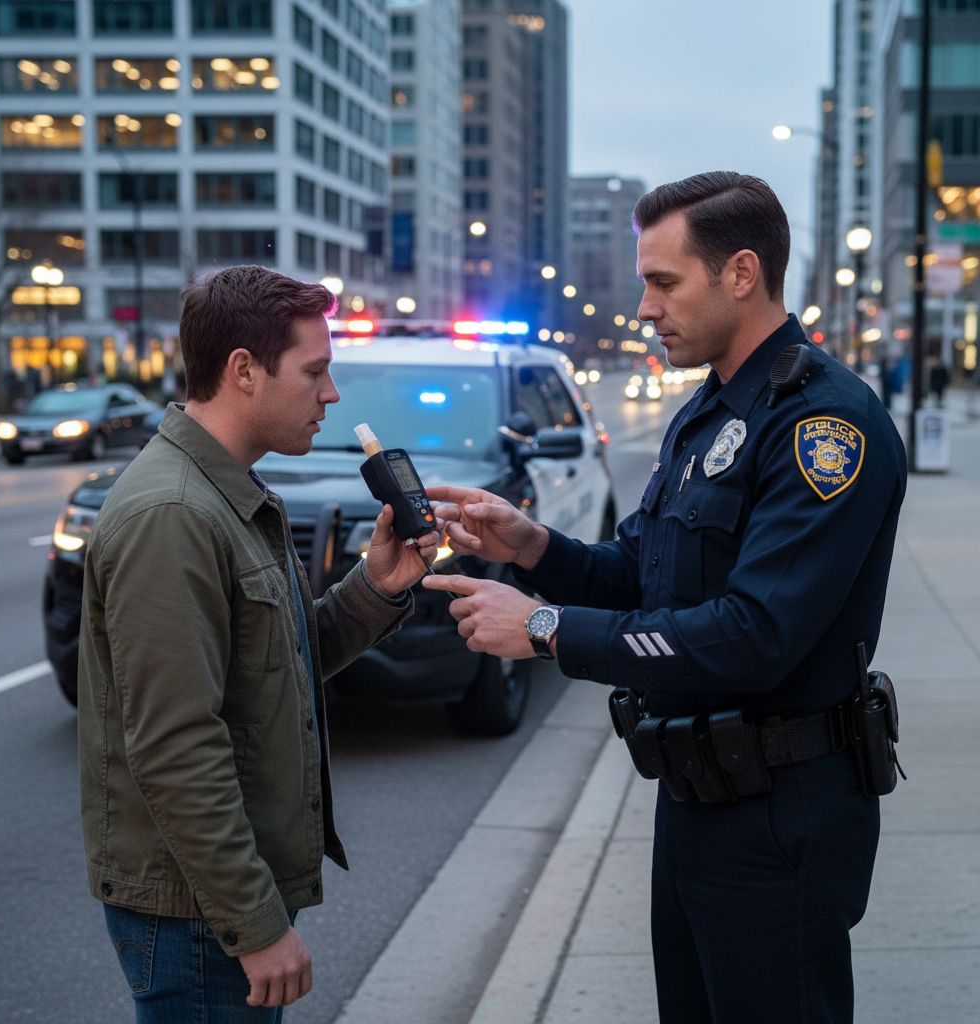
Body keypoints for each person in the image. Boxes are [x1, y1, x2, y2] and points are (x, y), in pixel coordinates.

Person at [423, 172, 907, 1024]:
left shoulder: (823, 427)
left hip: (782, 811)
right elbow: (645, 575)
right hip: (697, 791)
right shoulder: (710, 414)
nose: (645, 305)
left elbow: (754, 635)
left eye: (664, 281)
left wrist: (543, 630)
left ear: (742, 273)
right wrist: (529, 546)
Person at [78, 265, 438, 1022]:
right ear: (243, 370)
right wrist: (255, 924)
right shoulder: (173, 513)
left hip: (215, 904)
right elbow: (176, 747)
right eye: (316, 371)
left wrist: (378, 586)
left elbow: (282, 665)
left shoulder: (226, 493)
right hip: (198, 916)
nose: (331, 394)